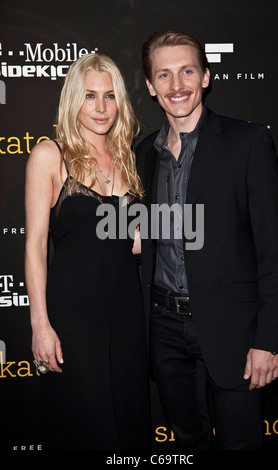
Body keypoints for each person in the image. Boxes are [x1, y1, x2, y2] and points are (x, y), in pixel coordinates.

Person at [136, 30, 278, 450]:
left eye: (187, 71)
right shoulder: (144, 154)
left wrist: (268, 340)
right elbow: (140, 237)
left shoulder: (248, 143)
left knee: (240, 444)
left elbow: (276, 253)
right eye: (164, 75)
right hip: (165, 329)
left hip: (235, 331)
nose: (177, 85)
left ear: (205, 76)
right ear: (151, 86)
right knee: (187, 442)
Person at [25, 53, 150, 450]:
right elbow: (35, 246)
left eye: (110, 96)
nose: (101, 107)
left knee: (127, 425)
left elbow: (131, 243)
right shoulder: (50, 155)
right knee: (85, 427)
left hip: (127, 315)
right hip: (74, 320)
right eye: (90, 96)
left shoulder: (129, 157)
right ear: (73, 99)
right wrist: (40, 325)